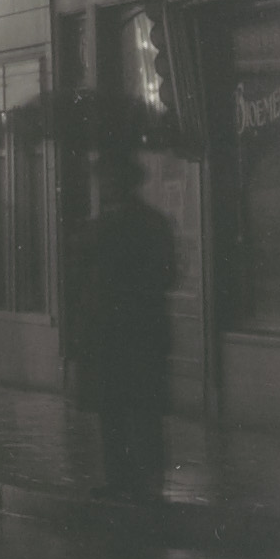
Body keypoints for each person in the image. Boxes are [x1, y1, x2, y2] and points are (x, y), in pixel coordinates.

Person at [71, 149, 178, 503]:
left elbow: (164, 274)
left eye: (108, 178)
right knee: (120, 409)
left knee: (132, 409)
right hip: (123, 333)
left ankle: (139, 483)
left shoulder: (130, 224)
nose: (104, 185)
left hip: (129, 332)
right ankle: (130, 481)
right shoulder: (130, 223)